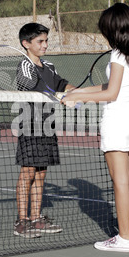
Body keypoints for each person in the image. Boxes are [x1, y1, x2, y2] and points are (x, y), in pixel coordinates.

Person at [61, 3, 129, 252]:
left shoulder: (117, 54)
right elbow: (111, 86)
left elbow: (112, 93)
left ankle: (123, 239)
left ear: (114, 28)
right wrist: (77, 92)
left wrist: (79, 99)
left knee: (120, 182)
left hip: (118, 121)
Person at [14, 22, 75, 238]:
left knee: (40, 173)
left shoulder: (49, 65)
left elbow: (60, 83)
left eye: (46, 41)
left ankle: (37, 218)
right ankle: (22, 221)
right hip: (30, 125)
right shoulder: (24, 66)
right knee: (28, 172)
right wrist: (57, 96)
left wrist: (74, 92)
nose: (45, 45)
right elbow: (32, 88)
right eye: (40, 41)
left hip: (48, 125)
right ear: (26, 44)